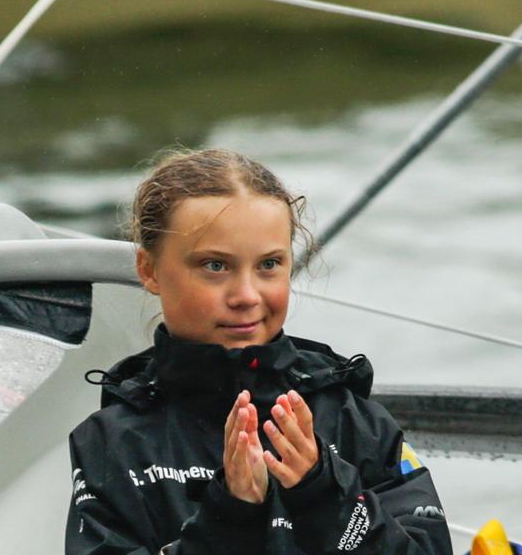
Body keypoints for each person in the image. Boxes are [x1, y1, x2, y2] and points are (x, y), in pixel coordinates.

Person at [65, 149, 451, 554]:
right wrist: (227, 517)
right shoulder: (112, 443)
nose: (246, 296)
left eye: (268, 264)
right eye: (215, 266)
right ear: (149, 270)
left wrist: (325, 495)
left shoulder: (357, 422)